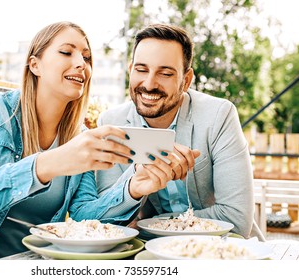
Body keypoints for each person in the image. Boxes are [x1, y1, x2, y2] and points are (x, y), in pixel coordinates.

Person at [0, 21, 182, 260]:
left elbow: (85, 216)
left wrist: (132, 188)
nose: (81, 63)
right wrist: (48, 164)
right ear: (35, 65)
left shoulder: (78, 137)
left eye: (87, 56)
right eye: (66, 52)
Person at [96, 23, 264, 240]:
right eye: (141, 69)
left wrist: (150, 227)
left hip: (224, 251)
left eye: (165, 73)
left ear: (185, 81)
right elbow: (107, 223)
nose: (148, 84)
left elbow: (236, 218)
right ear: (130, 70)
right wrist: (135, 180)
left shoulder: (219, 115)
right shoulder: (111, 122)